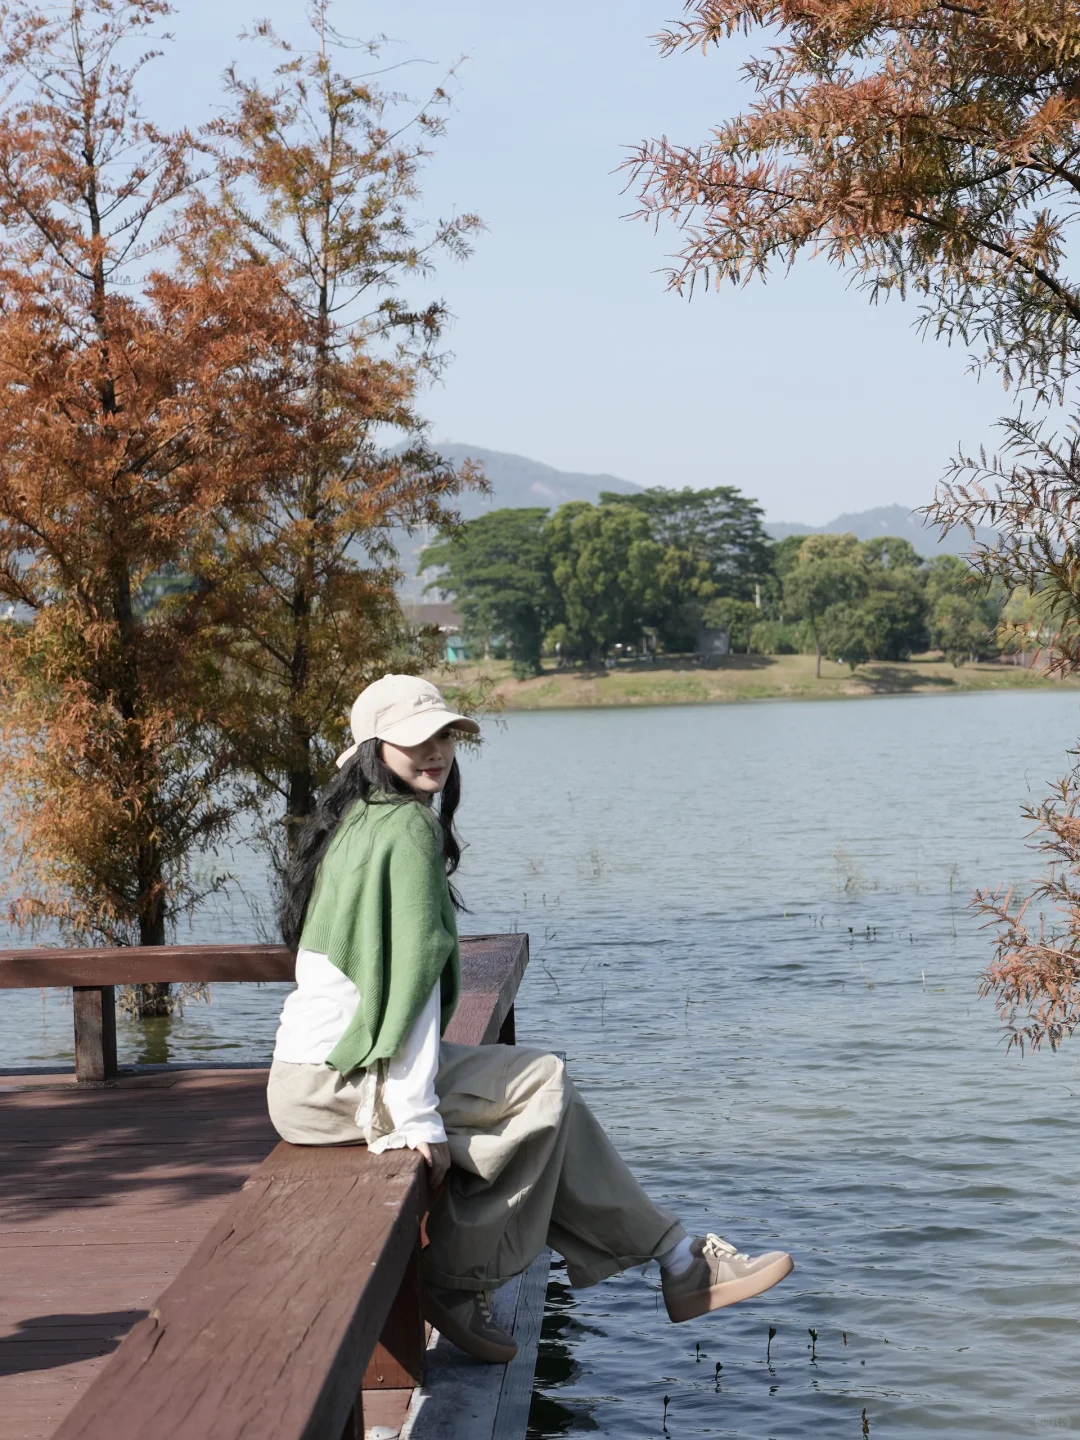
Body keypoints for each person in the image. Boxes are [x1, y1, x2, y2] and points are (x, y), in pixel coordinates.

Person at [267, 674, 793, 1364]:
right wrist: (418, 1116)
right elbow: (413, 986)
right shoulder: (403, 829)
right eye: (416, 738)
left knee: (545, 1090)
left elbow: (386, 987)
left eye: (446, 735)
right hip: (339, 1079)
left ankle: (678, 1257)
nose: (438, 751)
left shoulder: (360, 818)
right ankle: (455, 1280)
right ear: (374, 746)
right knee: (541, 1098)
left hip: (317, 1074)